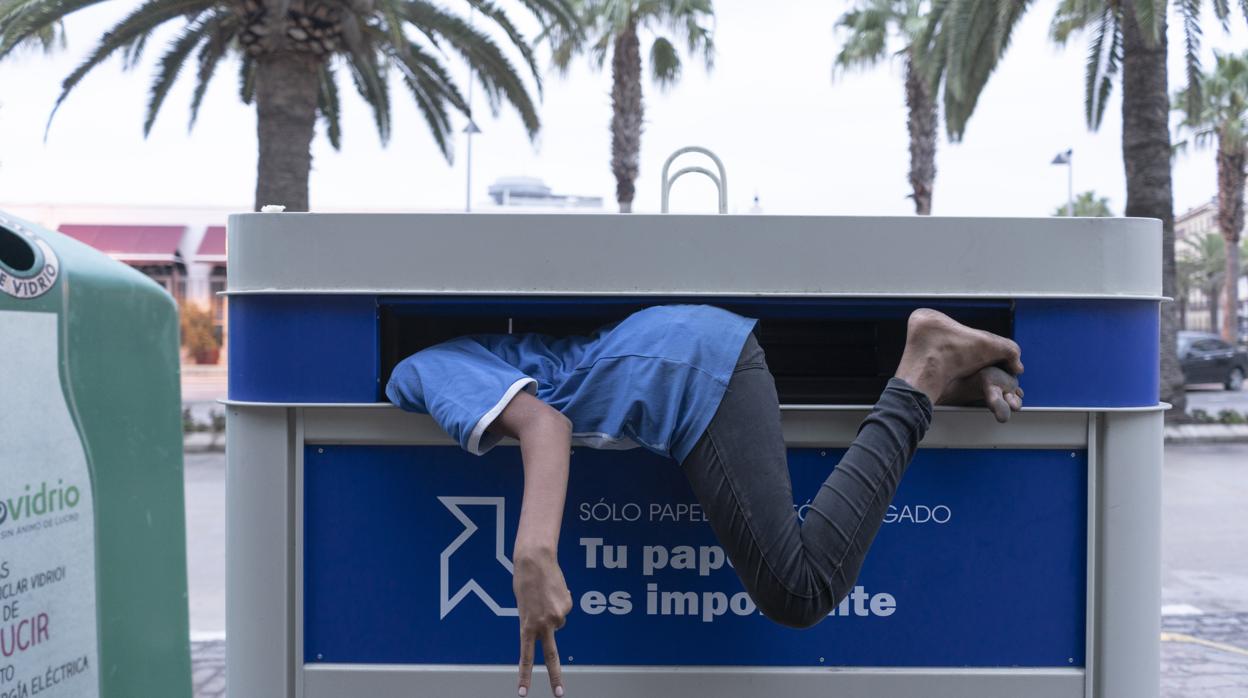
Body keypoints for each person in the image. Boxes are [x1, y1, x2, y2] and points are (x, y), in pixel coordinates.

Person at [385, 304, 1024, 698]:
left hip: (685, 369)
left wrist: (534, 553)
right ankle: (949, 376)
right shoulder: (461, 360)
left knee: (797, 590)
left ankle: (927, 368)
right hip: (684, 362)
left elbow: (544, 425)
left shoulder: (415, 371)